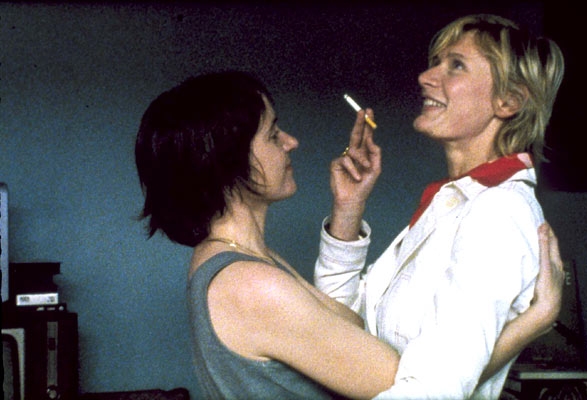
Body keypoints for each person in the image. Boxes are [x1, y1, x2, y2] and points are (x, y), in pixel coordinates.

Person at [134, 70, 563, 399]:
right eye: (272, 133)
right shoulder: (249, 283)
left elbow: (352, 326)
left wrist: (348, 208)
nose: (290, 142)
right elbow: (414, 388)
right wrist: (532, 322)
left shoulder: (241, 259)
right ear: (227, 162)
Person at [315, 14, 565, 399]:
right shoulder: (456, 204)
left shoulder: (497, 213)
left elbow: (431, 392)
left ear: (509, 101)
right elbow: (342, 335)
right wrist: (348, 211)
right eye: (436, 63)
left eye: (456, 65)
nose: (425, 77)